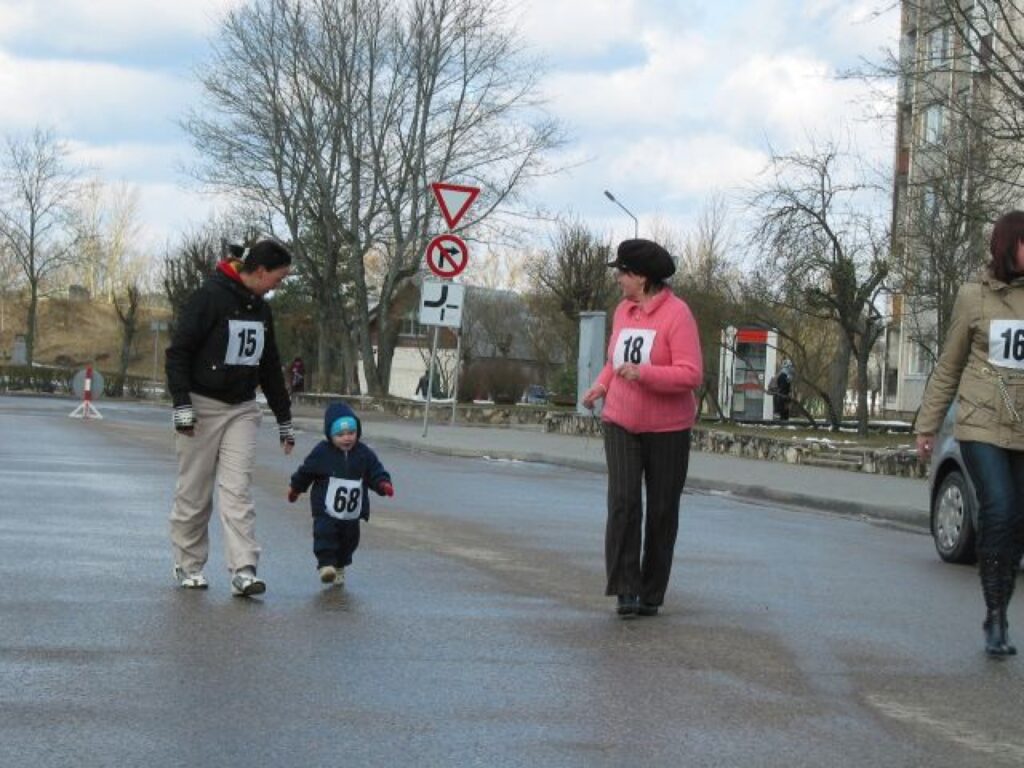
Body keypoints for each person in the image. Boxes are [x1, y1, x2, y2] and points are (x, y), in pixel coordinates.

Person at [916, 210, 1024, 658]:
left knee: (1017, 519)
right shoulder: (972, 297)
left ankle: (998, 604)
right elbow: (949, 365)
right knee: (998, 509)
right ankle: (996, 616)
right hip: (980, 423)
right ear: (1008, 246)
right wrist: (926, 424)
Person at [165, 239, 295, 597]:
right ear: (259, 271)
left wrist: (284, 419)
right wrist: (182, 404)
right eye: (278, 279)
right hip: (201, 405)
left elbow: (268, 366)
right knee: (195, 490)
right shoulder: (210, 297)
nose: (278, 286)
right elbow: (177, 353)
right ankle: (188, 564)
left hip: (241, 408)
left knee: (237, 490)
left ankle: (244, 569)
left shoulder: (261, 310)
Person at [581, 238, 703, 618]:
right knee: (623, 502)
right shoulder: (623, 311)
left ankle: (651, 592)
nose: (618, 278)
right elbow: (613, 360)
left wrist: (644, 373)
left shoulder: (677, 315)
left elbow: (690, 374)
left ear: (642, 277)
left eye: (622, 272)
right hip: (620, 420)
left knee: (662, 509)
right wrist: (601, 385)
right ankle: (626, 589)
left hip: (668, 428)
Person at [287, 401, 394, 586]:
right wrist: (296, 489)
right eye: (340, 434)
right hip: (326, 508)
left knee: (349, 540)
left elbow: (375, 471)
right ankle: (326, 565)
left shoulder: (363, 453)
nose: (347, 438)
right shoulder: (322, 452)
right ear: (330, 434)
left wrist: (383, 484)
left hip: (351, 511)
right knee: (324, 533)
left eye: (351, 433)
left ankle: (340, 566)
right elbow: (306, 471)